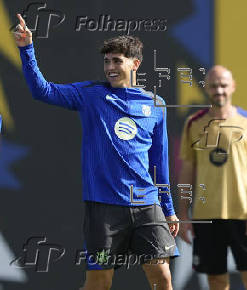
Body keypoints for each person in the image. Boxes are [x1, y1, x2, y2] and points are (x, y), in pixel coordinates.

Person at [13, 14, 179, 290]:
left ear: (135, 64)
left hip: (147, 207)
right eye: (107, 61)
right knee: (99, 283)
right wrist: (27, 49)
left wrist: (169, 210)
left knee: (162, 279)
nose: (110, 67)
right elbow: (41, 91)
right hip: (104, 212)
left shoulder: (155, 105)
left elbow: (159, 164)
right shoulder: (90, 95)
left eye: (117, 61)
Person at [178, 65, 247, 290]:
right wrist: (182, 214)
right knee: (216, 281)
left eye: (223, 85)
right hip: (205, 216)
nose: (219, 90)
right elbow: (187, 171)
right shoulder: (194, 123)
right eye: (214, 86)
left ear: (233, 87)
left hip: (244, 215)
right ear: (206, 88)